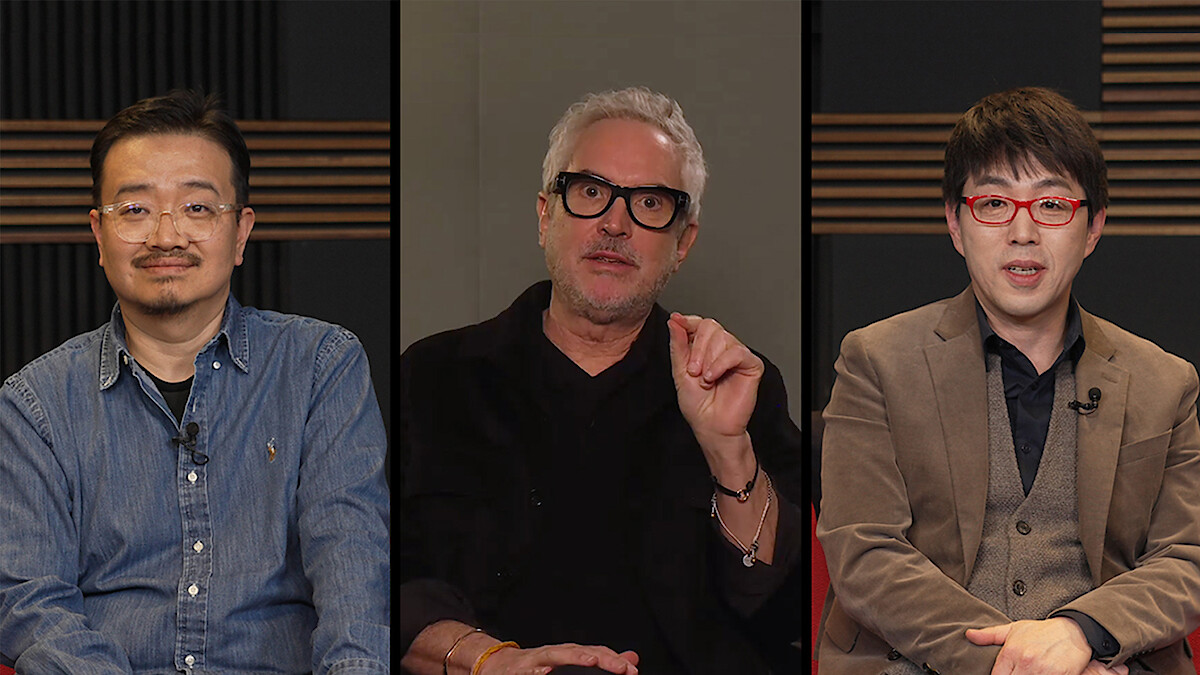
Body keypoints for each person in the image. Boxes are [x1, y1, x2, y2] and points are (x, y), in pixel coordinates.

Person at [399, 87, 803, 675]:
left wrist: (728, 450)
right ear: (546, 215)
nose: (615, 224)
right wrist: (490, 661)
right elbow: (380, 586)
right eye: (590, 192)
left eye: (650, 203)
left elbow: (785, 610)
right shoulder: (434, 377)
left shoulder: (738, 383)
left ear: (683, 242)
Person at [0, 90, 390, 673]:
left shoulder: (320, 366)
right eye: (135, 209)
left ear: (240, 233)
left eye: (197, 208)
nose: (166, 236)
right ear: (99, 234)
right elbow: (31, 603)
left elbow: (353, 572)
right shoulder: (35, 403)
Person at [816, 87, 1200, 675]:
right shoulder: (875, 360)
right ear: (956, 223)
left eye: (1051, 205)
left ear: (1093, 227)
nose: (1023, 232)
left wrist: (1080, 634)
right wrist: (1020, 664)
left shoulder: (1166, 382)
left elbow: (1186, 557)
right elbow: (865, 553)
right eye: (994, 203)